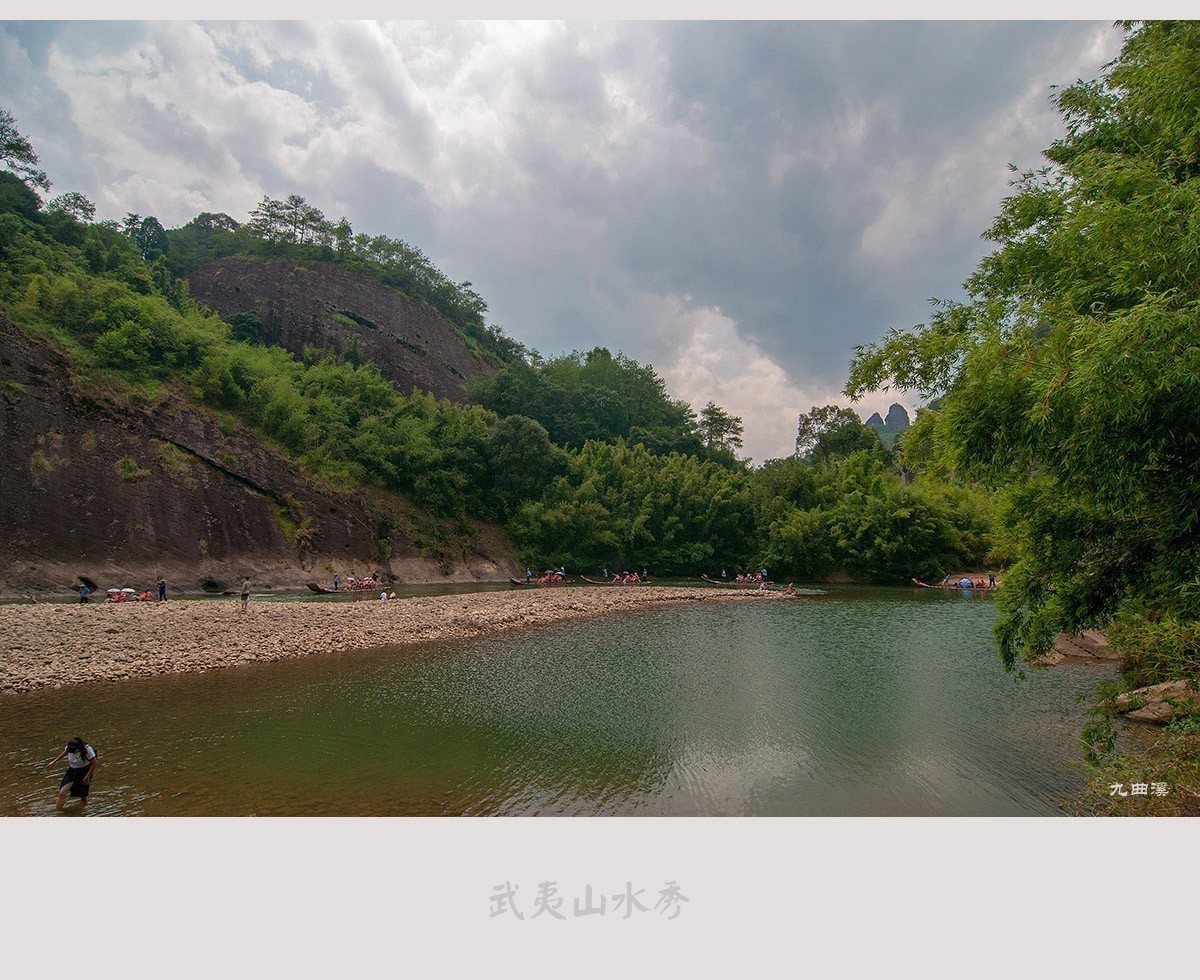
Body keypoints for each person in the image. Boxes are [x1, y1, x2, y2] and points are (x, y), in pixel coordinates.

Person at [47, 737, 98, 811]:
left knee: (83, 796)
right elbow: (64, 753)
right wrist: (54, 761)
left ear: (79, 747)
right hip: (72, 771)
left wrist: (87, 776)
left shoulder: (87, 750)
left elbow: (95, 763)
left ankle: (83, 811)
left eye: (74, 751)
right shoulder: (69, 748)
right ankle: (58, 813)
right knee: (62, 793)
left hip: (84, 772)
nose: (72, 753)